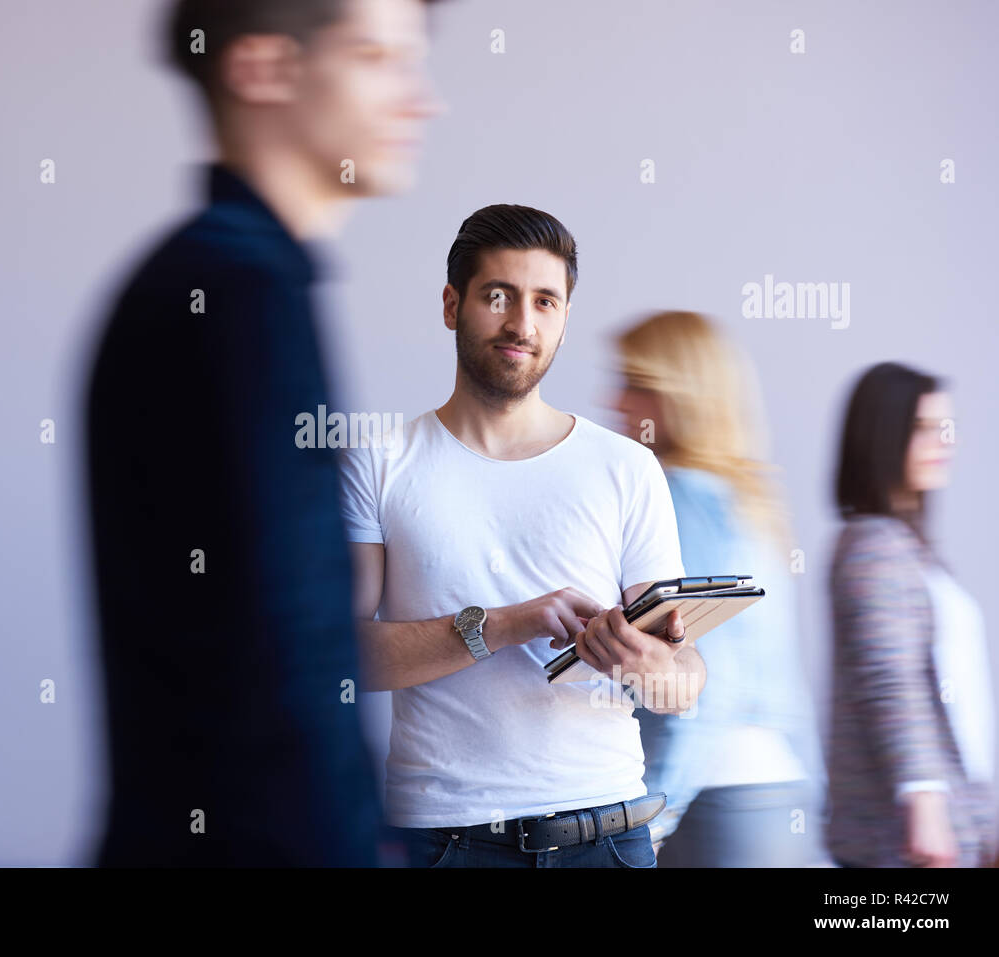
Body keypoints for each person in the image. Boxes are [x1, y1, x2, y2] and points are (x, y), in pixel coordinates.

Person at [83, 0, 442, 866]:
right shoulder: (240, 291)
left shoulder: (213, 276)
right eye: (376, 56)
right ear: (260, 68)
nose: (422, 99)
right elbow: (290, 655)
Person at [337, 204, 702, 868]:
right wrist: (504, 624)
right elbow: (342, 652)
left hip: (608, 837)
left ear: (565, 318)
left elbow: (684, 681)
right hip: (444, 841)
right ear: (453, 305)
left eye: (545, 301)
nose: (521, 323)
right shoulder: (380, 463)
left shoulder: (626, 467)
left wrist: (650, 667)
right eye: (498, 296)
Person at [611, 311, 825, 867]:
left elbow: (707, 676)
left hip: (712, 800)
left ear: (680, 398)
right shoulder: (747, 502)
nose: (616, 401)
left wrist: (650, 816)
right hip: (774, 786)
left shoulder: (678, 497)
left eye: (636, 385)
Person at [826, 362, 997, 868]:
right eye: (924, 429)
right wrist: (923, 798)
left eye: (946, 428)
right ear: (883, 435)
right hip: (904, 836)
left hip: (951, 818)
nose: (944, 441)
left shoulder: (911, 549)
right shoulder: (872, 546)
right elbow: (891, 680)